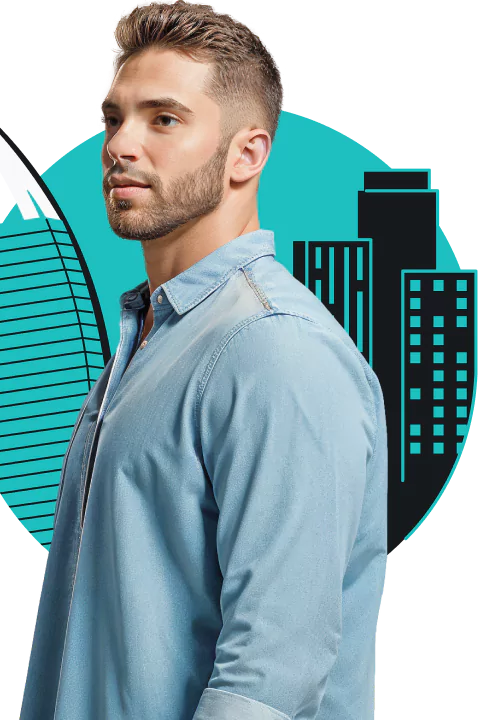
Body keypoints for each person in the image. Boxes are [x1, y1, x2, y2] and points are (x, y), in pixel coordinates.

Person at [19, 2, 388, 718]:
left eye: (163, 119)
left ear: (247, 155)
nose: (121, 146)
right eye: (113, 119)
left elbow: (270, 675)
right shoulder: (150, 336)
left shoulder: (275, 349)